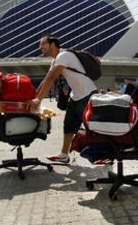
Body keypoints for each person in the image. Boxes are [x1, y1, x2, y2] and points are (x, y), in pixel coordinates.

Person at [28, 33, 97, 163]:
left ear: (52, 45)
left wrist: (38, 100)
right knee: (69, 125)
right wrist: (34, 96)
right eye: (40, 44)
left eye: (43, 44)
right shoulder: (55, 60)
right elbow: (46, 79)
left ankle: (103, 154)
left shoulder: (63, 56)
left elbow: (52, 77)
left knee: (93, 126)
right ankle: (64, 155)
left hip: (87, 94)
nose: (40, 47)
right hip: (75, 96)